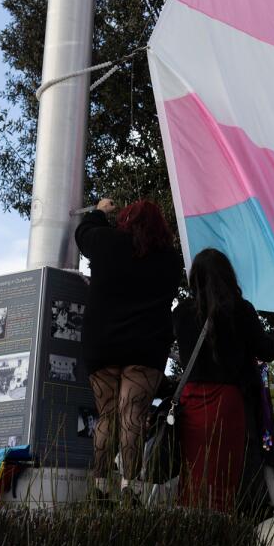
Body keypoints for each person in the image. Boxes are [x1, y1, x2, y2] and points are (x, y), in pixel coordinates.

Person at [172, 248, 274, 511]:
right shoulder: (240, 310)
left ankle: (188, 533)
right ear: (228, 276)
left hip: (190, 399)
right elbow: (266, 350)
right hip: (226, 402)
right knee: (224, 474)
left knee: (192, 474)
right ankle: (219, 534)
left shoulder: (181, 312)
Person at [75, 198, 184, 500]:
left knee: (107, 415)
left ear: (125, 220)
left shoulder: (106, 241)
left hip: (103, 342)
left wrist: (99, 212)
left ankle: (98, 484)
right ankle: (130, 486)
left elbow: (83, 234)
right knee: (133, 415)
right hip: (145, 345)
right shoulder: (171, 260)